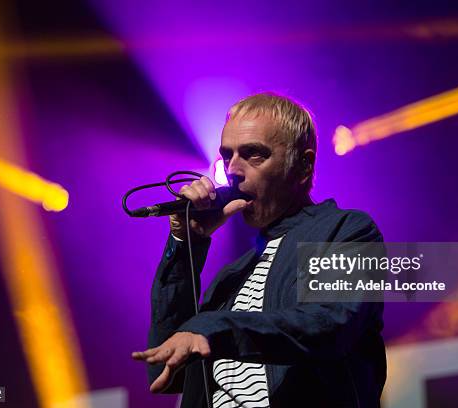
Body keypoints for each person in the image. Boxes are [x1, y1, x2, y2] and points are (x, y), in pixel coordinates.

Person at [132, 93, 386, 408]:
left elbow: (329, 324)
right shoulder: (232, 277)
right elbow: (166, 370)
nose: (232, 170)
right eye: (227, 155)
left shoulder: (345, 231)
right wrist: (187, 244)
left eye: (253, 154)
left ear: (303, 166)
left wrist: (212, 329)